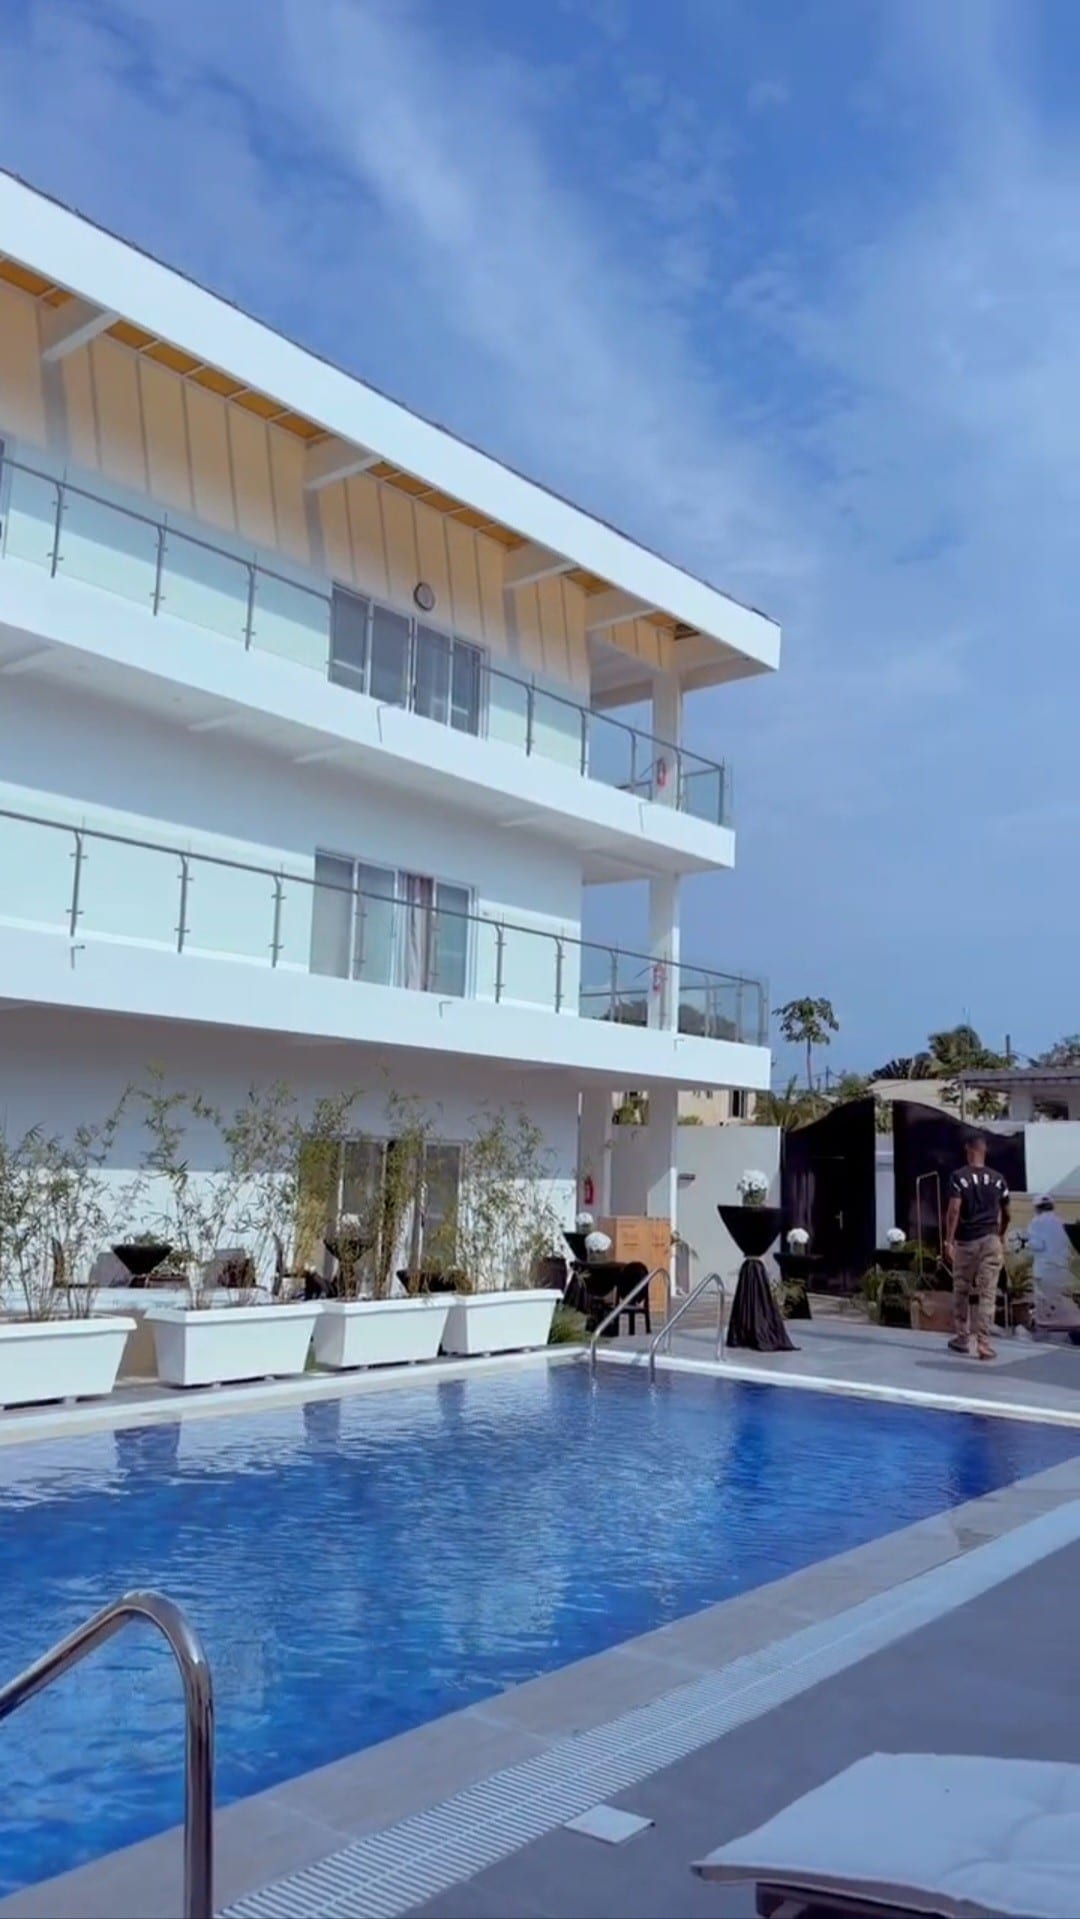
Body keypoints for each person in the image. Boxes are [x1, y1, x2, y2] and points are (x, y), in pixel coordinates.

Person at [943, 1132, 1010, 1360]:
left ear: (968, 1149)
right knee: (987, 1293)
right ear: (984, 1150)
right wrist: (1001, 1234)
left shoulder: (958, 1177)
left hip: (967, 1242)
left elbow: (954, 1210)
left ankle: (962, 1338)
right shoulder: (998, 1179)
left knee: (961, 1289)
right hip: (991, 1239)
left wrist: (949, 1240)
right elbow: (1007, 1212)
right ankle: (984, 1343)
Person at [1025, 1196, 1080, 1336]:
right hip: (1062, 1268)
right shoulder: (1060, 1221)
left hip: (1044, 1269)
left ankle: (1046, 1330)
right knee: (1061, 1301)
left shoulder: (1036, 1222)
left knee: (1045, 1303)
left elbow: (1038, 1245)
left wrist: (1025, 1243)